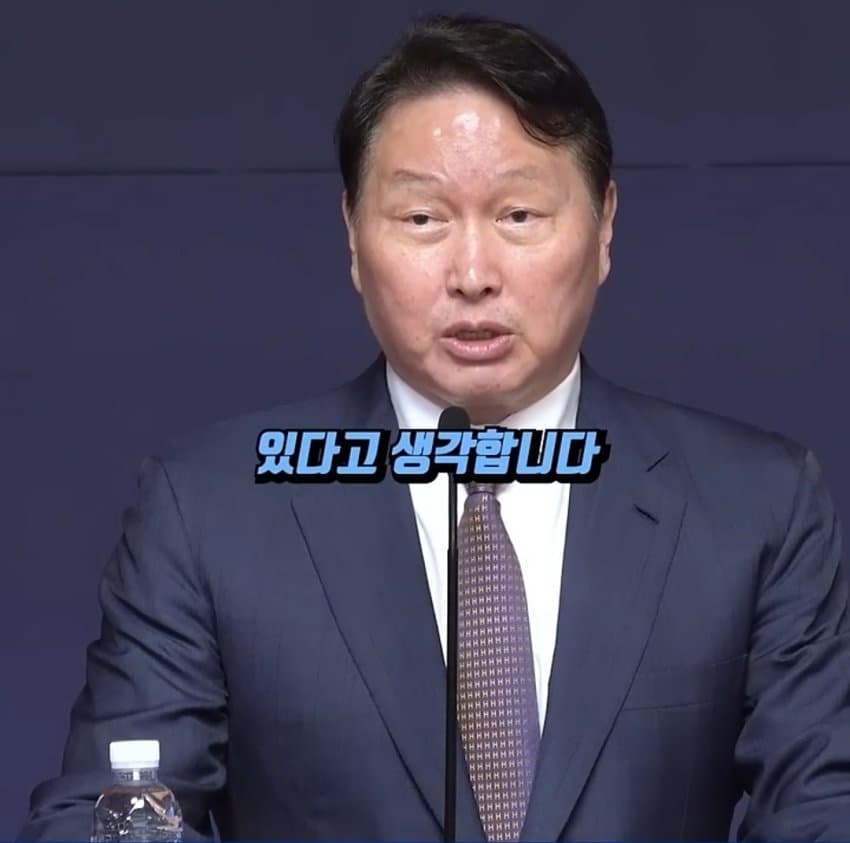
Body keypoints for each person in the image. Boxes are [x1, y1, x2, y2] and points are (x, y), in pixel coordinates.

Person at [19, 13, 850, 842]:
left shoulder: (755, 508)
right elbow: (100, 816)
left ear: (604, 226)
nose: (473, 274)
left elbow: (824, 807)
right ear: (353, 237)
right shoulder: (209, 513)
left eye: (519, 215)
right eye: (422, 219)